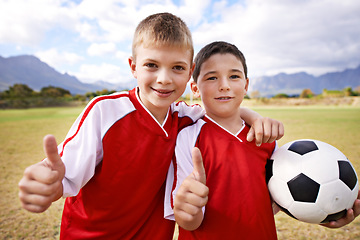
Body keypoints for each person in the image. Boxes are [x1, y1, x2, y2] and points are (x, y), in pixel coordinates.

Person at [18, 14, 284, 239]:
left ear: (189, 71)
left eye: (177, 68)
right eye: (151, 65)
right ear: (134, 67)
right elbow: (63, 178)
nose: (164, 79)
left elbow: (222, 108)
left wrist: (254, 117)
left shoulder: (184, 116)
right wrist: (49, 186)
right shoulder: (106, 111)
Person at [165, 41, 360, 239]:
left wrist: (325, 213)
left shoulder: (265, 138)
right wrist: (187, 211)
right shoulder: (189, 138)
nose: (224, 86)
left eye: (234, 76)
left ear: (246, 85)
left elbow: (277, 202)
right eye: (212, 77)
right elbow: (188, 219)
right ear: (195, 88)